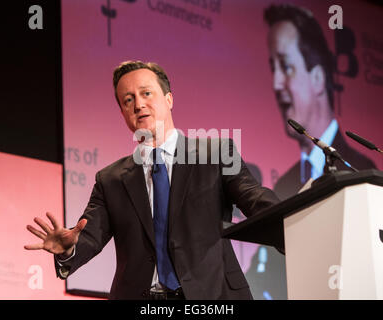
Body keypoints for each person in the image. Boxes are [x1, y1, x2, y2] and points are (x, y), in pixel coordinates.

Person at [25, 61, 280, 300]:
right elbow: (88, 235)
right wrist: (68, 249)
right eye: (128, 99)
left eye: (146, 93)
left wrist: (294, 220)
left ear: (169, 99)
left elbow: (253, 197)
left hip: (213, 295)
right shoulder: (110, 180)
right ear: (123, 112)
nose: (138, 104)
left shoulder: (215, 154)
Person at [264, 4, 376, 201]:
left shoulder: (362, 169)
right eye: (274, 68)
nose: (276, 84)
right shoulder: (283, 185)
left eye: (286, 66)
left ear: (317, 78)